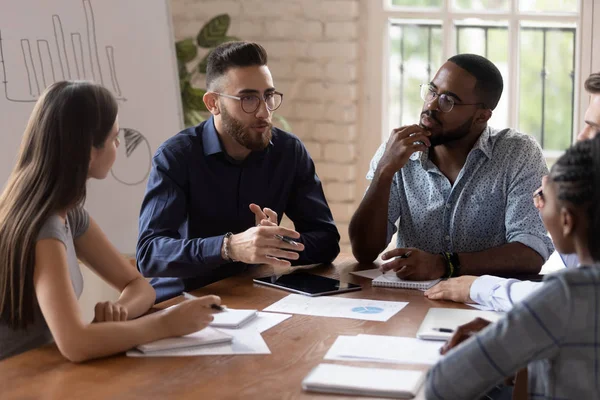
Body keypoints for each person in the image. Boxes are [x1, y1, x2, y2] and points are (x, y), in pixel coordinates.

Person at [0, 81, 220, 362]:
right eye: (114, 137)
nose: (118, 144)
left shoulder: (70, 215)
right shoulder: (45, 227)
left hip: (45, 368)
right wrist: (167, 324)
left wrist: (122, 311)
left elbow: (139, 285)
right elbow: (75, 344)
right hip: (19, 379)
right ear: (90, 150)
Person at [137, 42, 340, 302]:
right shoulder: (176, 156)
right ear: (213, 103)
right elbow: (149, 254)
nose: (263, 112)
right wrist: (228, 247)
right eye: (248, 99)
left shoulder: (289, 152)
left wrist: (274, 243)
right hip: (185, 302)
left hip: (254, 297)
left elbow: (327, 240)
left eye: (268, 96)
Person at [425, 134, 600, 399]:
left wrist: (505, 342)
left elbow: (442, 385)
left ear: (566, 221)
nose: (537, 203)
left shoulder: (565, 297)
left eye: (543, 196)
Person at [349, 54, 554, 281]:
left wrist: (445, 264)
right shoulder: (398, 152)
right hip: (410, 303)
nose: (431, 106)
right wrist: (384, 170)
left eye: (449, 100)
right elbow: (364, 252)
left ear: (481, 116)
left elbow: (531, 252)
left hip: (483, 302)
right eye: (432, 92)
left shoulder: (517, 154)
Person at [424, 71, 600, 310]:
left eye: (595, 128)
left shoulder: (518, 151)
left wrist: (477, 288)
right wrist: (558, 219)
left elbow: (576, 299)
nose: (582, 137)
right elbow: (586, 274)